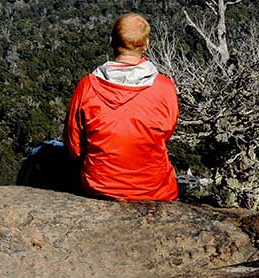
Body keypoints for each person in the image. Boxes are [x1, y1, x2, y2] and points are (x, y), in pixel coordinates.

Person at [63, 13, 178, 201]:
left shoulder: (87, 87)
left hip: (99, 186)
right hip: (153, 189)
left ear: (112, 41)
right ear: (146, 44)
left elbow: (74, 146)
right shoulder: (164, 88)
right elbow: (166, 133)